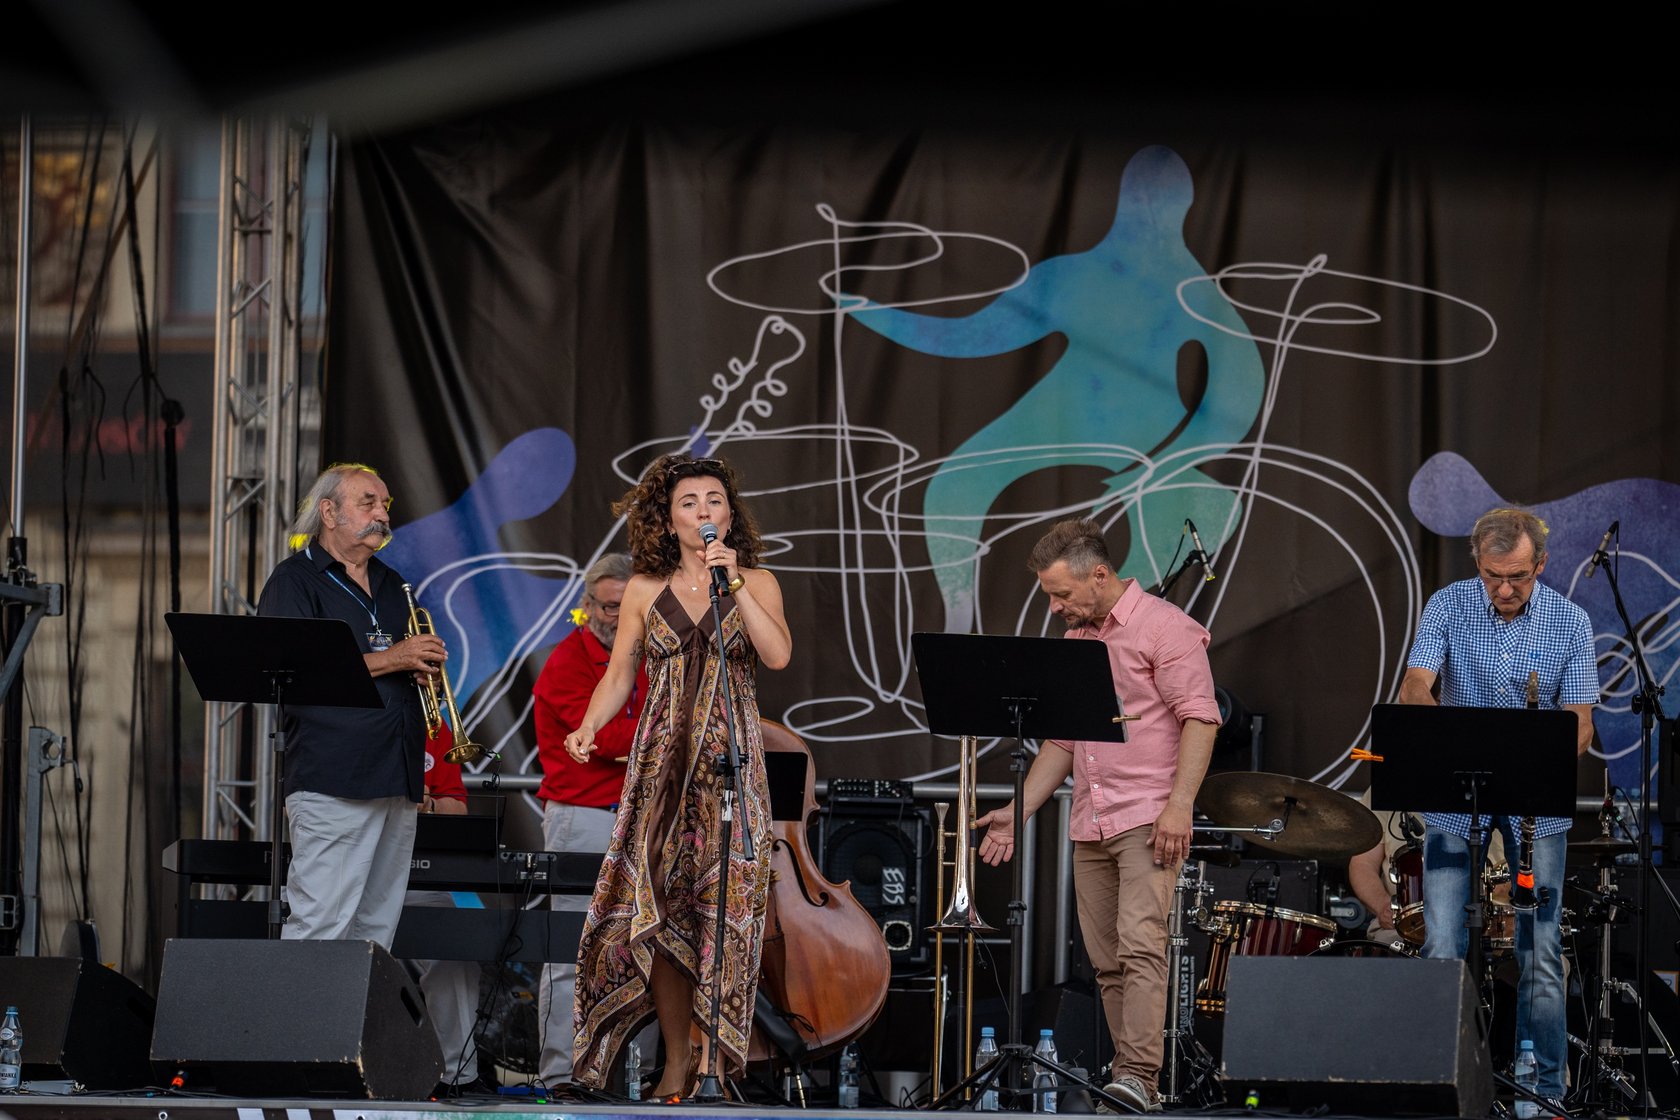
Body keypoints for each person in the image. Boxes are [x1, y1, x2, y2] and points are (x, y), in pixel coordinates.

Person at [565, 453, 792, 1099]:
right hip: (661, 771)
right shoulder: (643, 589)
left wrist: (734, 582)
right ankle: (674, 1058)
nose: (704, 512)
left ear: (730, 515)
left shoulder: (757, 581)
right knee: (660, 914)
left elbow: (777, 655)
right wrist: (588, 725)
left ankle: (716, 1061)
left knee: (725, 914)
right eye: (689, 504)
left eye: (714, 500)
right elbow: (619, 674)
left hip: (730, 772)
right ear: (668, 522)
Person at [974, 518, 1220, 1114]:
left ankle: (1139, 1077)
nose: (1055, 607)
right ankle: (1129, 1086)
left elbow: (1201, 717)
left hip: (1148, 815)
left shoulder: (1165, 627)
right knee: (1108, 962)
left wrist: (1179, 806)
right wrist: (1018, 811)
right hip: (1093, 820)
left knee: (1140, 946)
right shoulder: (1079, 640)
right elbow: (1063, 740)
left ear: (1100, 576)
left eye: (1061, 594)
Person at [1400, 506, 1597, 1108]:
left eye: (1518, 577)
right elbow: (1415, 686)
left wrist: (1540, 750)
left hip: (1536, 803)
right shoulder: (1447, 604)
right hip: (1457, 797)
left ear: (1541, 564)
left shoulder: (1570, 621)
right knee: (1441, 944)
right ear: (1477, 564)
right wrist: (1442, 730)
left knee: (1540, 952)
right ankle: (1441, 1088)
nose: (1505, 589)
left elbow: (1581, 724)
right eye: (1493, 576)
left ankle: (1542, 1093)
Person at [257, 463, 443, 947]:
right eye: (368, 503)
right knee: (321, 923)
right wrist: (395, 657)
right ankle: (305, 1004)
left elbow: (397, 662)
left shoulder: (392, 583)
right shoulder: (295, 581)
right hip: (334, 779)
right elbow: (295, 670)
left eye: (385, 504)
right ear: (329, 512)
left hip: (396, 776)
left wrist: (418, 667)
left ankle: (355, 1004)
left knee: (375, 932)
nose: (383, 514)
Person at [531, 552, 649, 1084]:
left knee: (643, 949)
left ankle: (633, 1077)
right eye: (606, 606)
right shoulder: (566, 661)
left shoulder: (649, 657)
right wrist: (669, 733)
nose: (615, 617)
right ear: (588, 606)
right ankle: (561, 1075)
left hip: (644, 818)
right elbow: (606, 737)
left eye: (626, 606)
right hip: (583, 818)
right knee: (571, 951)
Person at [408, 723, 492, 1097]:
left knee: (456, 949)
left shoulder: (434, 727)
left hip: (415, 875)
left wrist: (426, 803)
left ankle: (458, 1077)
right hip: (356, 872)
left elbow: (457, 807)